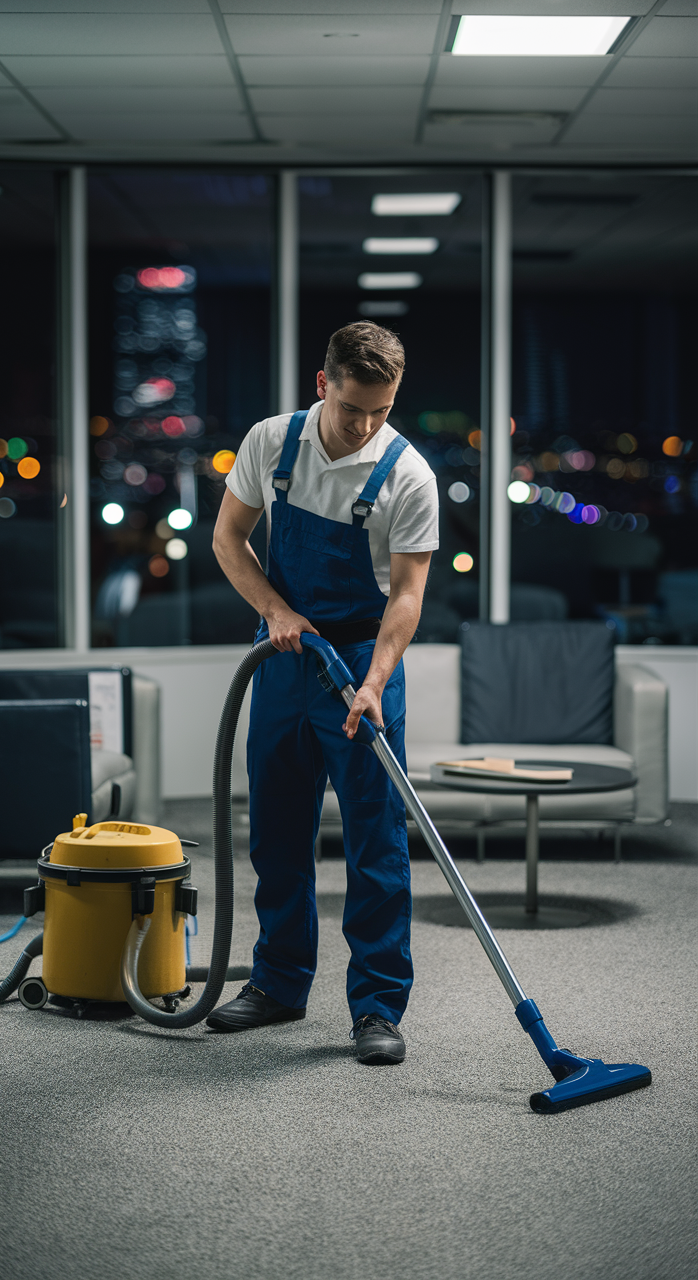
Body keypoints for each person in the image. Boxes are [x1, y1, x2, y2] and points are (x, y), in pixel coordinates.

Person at [208, 322, 439, 1064]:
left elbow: (407, 596)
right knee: (276, 833)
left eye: (383, 409)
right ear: (323, 385)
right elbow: (228, 539)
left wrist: (373, 682)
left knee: (376, 845)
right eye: (353, 409)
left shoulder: (409, 474)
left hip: (364, 663)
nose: (368, 425)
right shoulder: (271, 443)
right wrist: (275, 611)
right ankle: (278, 985)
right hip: (282, 658)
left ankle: (376, 1008)